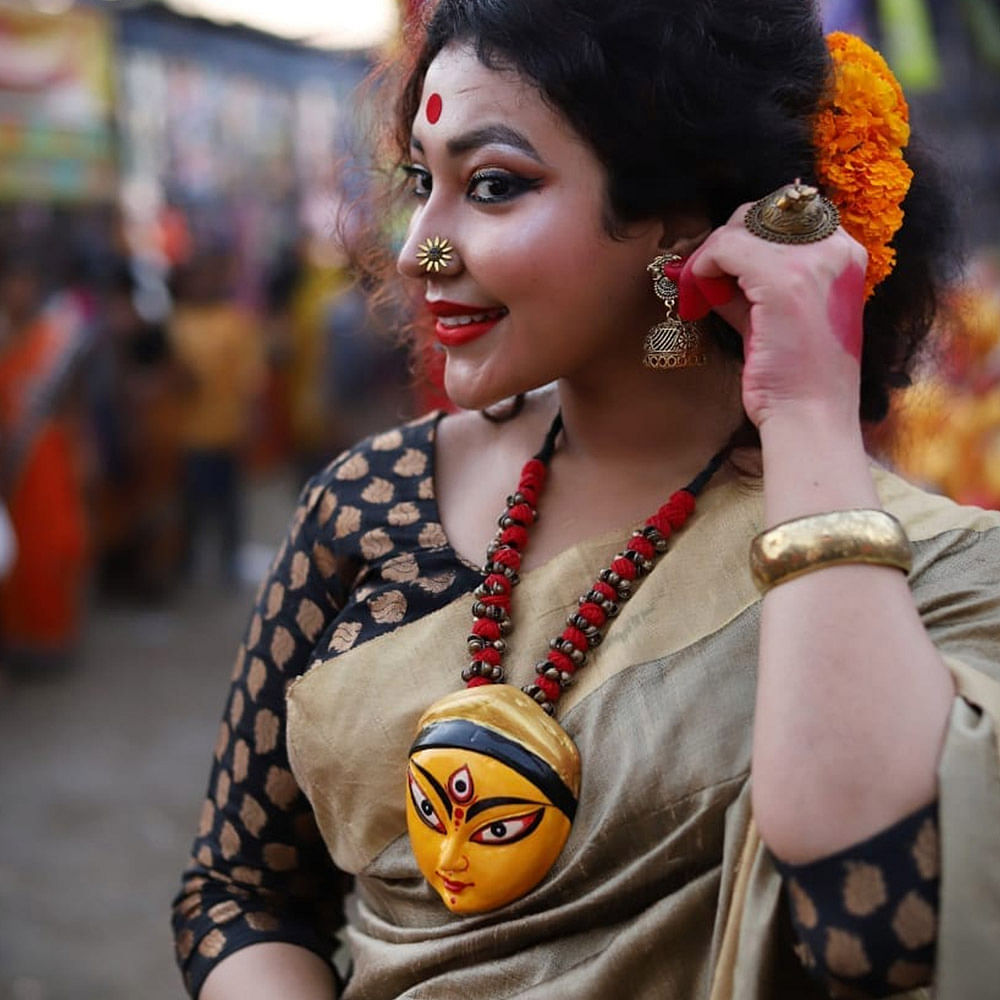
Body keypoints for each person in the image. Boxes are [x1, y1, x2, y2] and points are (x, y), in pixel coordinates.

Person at [172, 3, 1000, 998]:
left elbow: (878, 925)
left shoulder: (929, 567)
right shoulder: (366, 506)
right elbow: (241, 890)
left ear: (686, 218)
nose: (418, 252)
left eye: (492, 186)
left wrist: (806, 416)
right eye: (418, 183)